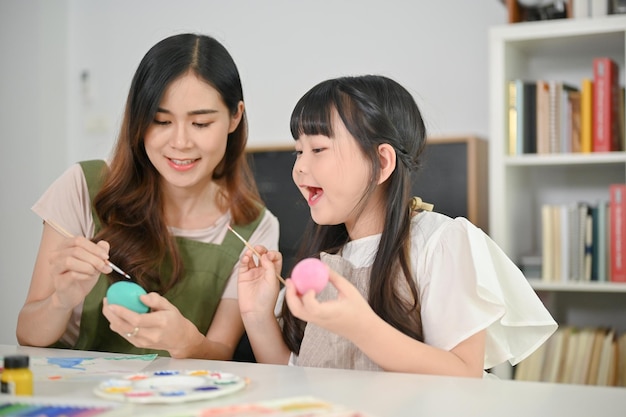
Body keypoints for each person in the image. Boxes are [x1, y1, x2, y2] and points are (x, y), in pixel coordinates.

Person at [237, 75, 557, 376]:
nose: (300, 167)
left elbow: (463, 372)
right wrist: (256, 314)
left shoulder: (440, 242)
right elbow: (299, 377)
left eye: (318, 149)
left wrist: (362, 328)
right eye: (298, 151)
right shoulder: (329, 257)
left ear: (382, 163)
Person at [16, 33, 279, 360]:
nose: (180, 142)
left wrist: (185, 341)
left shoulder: (255, 227)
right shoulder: (83, 187)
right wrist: (61, 301)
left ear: (235, 117)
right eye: (161, 121)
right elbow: (27, 335)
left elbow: (221, 352)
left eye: (200, 123)